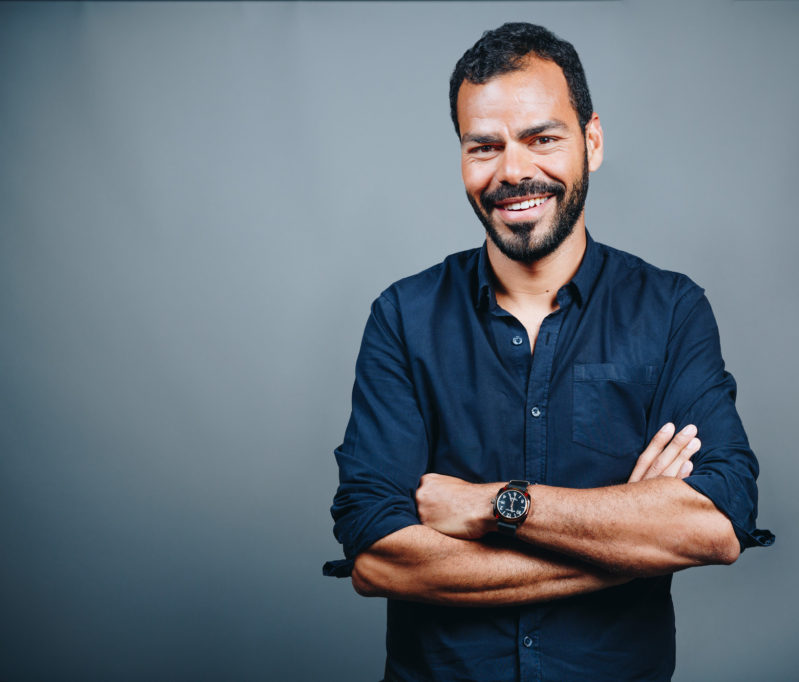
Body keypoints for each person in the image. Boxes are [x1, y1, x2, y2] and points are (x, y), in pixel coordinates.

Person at [324, 22, 774, 681]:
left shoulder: (671, 311)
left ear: (591, 141)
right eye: (485, 146)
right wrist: (629, 536)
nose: (512, 171)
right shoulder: (403, 317)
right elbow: (379, 559)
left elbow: (717, 523)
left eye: (542, 138)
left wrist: (495, 503)